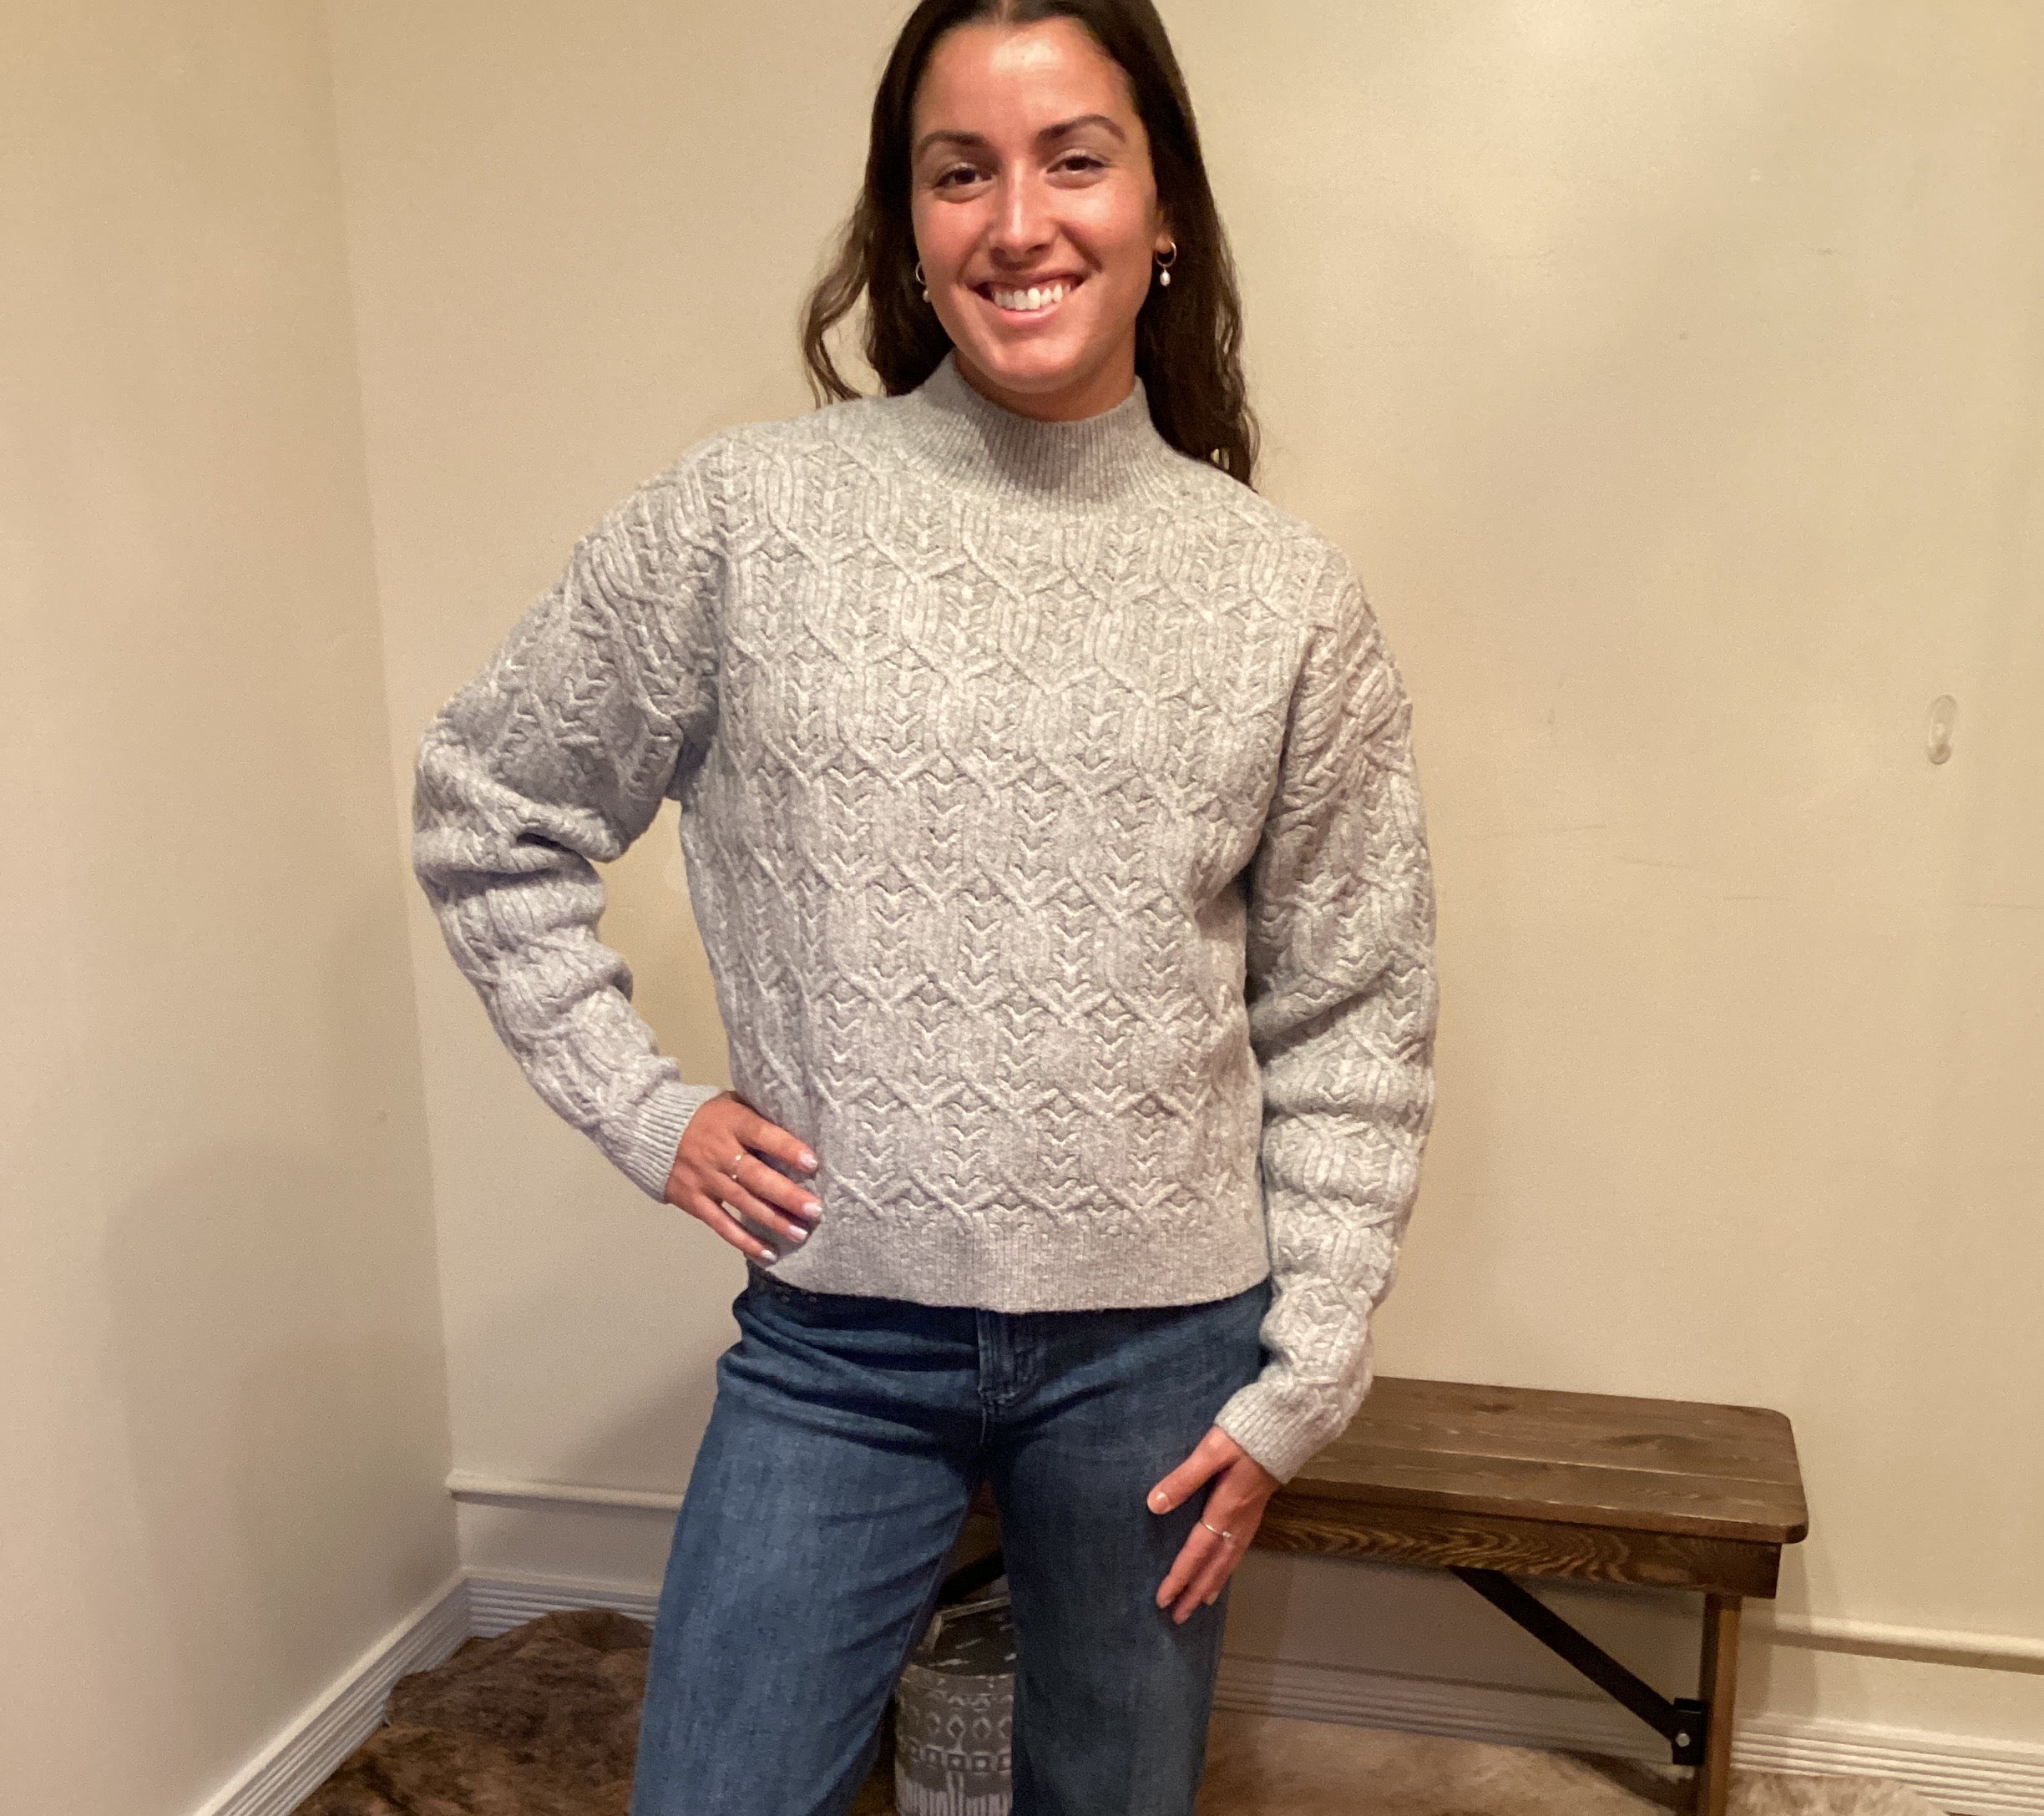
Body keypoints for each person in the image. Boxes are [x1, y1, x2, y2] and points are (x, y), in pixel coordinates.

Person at [409, 1, 1439, 1810]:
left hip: (1165, 1355)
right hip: (840, 1340)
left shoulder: (1283, 599)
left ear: (1165, 207)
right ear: (907, 221)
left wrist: (1304, 1375)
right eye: (961, 172)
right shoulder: (744, 524)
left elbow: (1354, 1008)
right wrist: (647, 1110)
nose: (1018, 220)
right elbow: (490, 806)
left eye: (1074, 159)